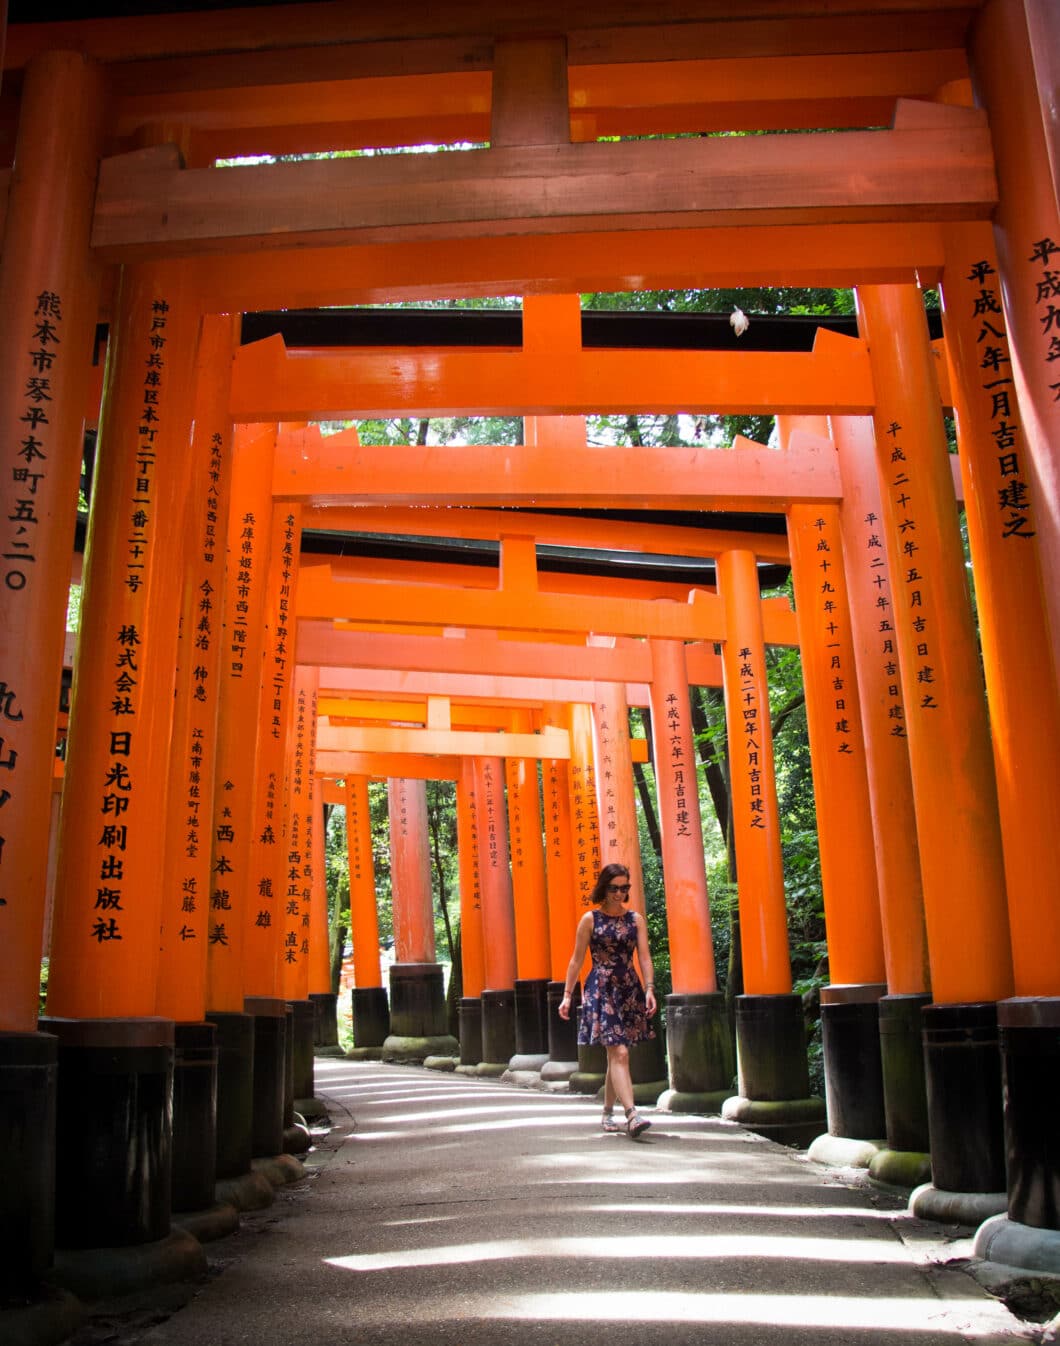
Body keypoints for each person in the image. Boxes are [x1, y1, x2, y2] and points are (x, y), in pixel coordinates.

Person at [558, 862, 657, 1138]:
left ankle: (606, 1111)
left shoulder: (635, 920)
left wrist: (650, 988)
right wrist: (567, 996)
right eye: (614, 888)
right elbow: (576, 960)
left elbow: (645, 957)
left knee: (617, 1054)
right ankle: (632, 1115)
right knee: (619, 1052)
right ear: (604, 887)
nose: (619, 893)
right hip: (601, 989)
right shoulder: (590, 919)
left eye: (624, 888)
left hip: (628, 987)